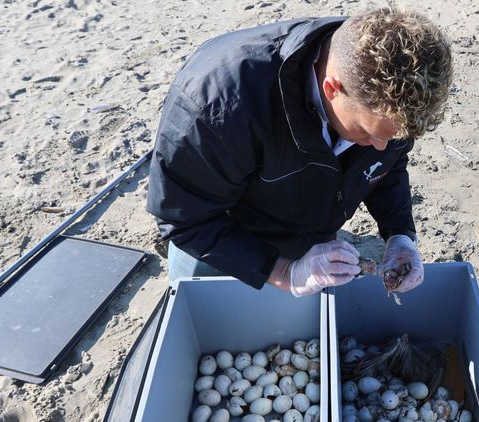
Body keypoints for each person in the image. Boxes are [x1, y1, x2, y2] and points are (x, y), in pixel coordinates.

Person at [146, 7, 452, 296]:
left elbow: (387, 162)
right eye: (369, 133)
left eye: (395, 136)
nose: (382, 146)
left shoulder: (385, 95)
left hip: (308, 221)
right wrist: (284, 273)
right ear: (333, 89)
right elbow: (185, 219)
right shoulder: (217, 108)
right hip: (222, 238)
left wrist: (399, 233)